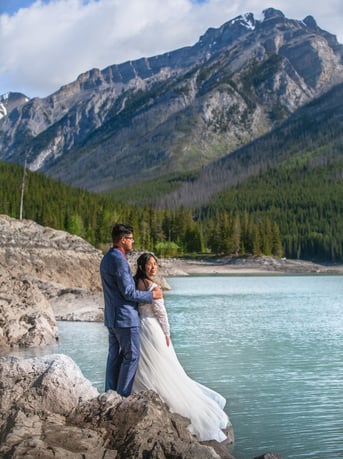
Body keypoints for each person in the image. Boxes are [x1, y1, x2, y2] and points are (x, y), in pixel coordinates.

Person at [132, 252, 231, 443]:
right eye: (150, 264)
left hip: (139, 327)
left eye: (155, 264)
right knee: (165, 367)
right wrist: (167, 334)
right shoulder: (153, 287)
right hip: (152, 329)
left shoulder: (136, 284)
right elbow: (161, 314)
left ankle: (146, 394)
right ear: (142, 266)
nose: (153, 267)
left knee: (146, 366)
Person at [100, 224, 163, 396]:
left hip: (112, 318)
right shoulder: (119, 260)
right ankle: (122, 396)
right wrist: (152, 296)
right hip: (125, 318)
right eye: (131, 239)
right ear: (123, 240)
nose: (133, 242)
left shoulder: (107, 258)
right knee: (132, 356)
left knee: (114, 356)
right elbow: (128, 292)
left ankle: (110, 393)